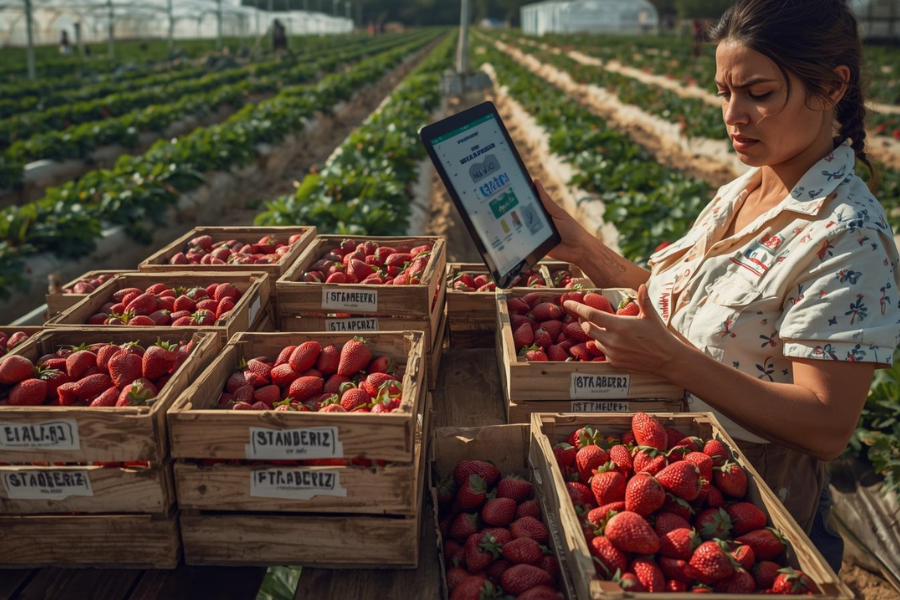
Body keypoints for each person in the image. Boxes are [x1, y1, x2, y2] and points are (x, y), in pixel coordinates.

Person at [535, 0, 899, 573]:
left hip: (748, 516)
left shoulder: (847, 235)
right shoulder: (743, 192)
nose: (734, 114)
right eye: (724, 93)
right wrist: (585, 250)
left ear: (831, 87)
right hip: (671, 485)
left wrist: (675, 363)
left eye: (758, 93)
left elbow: (827, 426)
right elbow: (680, 307)